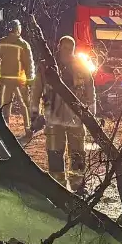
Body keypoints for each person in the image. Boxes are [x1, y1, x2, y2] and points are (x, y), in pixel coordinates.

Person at [32, 36, 97, 193]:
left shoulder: (82, 66)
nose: (68, 51)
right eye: (65, 47)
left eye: (71, 48)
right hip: (54, 117)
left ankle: (78, 185)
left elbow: (90, 89)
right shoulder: (46, 66)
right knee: (55, 152)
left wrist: (91, 114)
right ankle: (57, 186)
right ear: (59, 47)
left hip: (76, 117)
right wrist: (34, 113)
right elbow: (36, 90)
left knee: (78, 152)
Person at [0, 20, 35, 135]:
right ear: (18, 29)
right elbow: (29, 64)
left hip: (4, 80)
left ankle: (3, 128)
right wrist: (30, 81)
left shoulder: (0, 43)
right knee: (24, 105)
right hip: (20, 81)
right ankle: (28, 128)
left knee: (4, 105)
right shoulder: (24, 44)